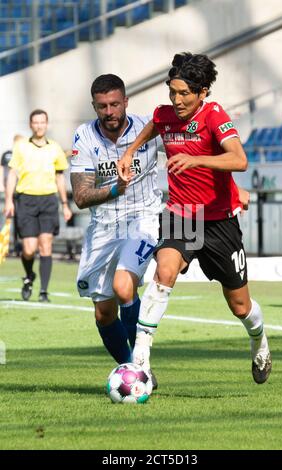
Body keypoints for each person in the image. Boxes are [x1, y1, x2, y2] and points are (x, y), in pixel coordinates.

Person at [118, 52, 272, 385]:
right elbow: (153, 127)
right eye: (172, 92)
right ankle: (140, 359)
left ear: (202, 92)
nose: (177, 100)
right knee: (164, 271)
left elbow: (239, 159)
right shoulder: (164, 115)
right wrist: (129, 153)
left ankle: (259, 338)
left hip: (219, 221)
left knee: (240, 306)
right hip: (181, 213)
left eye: (184, 93)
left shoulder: (214, 116)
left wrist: (197, 159)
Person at [70, 74, 162, 385]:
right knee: (104, 314)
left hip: (144, 218)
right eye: (101, 107)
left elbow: (184, 136)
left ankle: (140, 364)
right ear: (94, 106)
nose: (109, 112)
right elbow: (81, 197)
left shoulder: (148, 128)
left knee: (125, 287)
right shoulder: (85, 137)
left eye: (114, 104)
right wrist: (114, 190)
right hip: (104, 227)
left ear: (125, 102)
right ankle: (130, 369)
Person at [4, 109, 72, 302]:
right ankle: (29, 276)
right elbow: (12, 175)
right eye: (36, 122)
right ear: (30, 125)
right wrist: (9, 200)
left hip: (49, 201)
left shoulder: (55, 148)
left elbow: (60, 177)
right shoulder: (21, 147)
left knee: (46, 247)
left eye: (43, 122)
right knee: (28, 249)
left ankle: (43, 291)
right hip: (26, 200)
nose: (39, 125)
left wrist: (65, 204)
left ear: (47, 124)